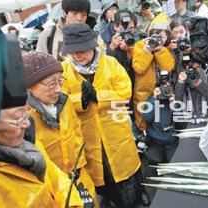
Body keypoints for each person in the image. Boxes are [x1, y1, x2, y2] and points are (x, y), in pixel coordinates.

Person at [60, 23, 149, 207]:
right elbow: (62, 100)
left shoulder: (110, 63)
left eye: (82, 49)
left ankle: (139, 195)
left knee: (127, 168)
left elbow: (125, 91)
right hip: (88, 134)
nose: (77, 54)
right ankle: (112, 199)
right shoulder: (64, 71)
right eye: (73, 51)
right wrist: (81, 100)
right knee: (103, 173)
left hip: (115, 130)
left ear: (92, 46)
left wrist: (98, 96)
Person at [22, 51, 98, 207]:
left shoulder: (65, 101)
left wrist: (79, 168)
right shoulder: (23, 120)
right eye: (51, 83)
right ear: (29, 87)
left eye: (60, 81)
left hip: (79, 176)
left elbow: (77, 133)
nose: (58, 89)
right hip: (53, 189)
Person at [0, 106, 83, 207]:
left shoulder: (28, 143)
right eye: (17, 121)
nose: (27, 124)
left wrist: (72, 202)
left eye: (25, 114)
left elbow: (53, 175)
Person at [132, 13, 175, 135]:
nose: (159, 40)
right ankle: (145, 137)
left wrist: (160, 50)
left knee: (162, 119)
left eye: (162, 37)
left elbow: (169, 67)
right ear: (150, 34)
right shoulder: (140, 45)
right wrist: (147, 50)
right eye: (156, 36)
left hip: (163, 90)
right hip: (144, 91)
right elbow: (139, 68)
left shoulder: (167, 48)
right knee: (144, 119)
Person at [174, 59, 208, 127]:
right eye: (190, 69)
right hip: (189, 123)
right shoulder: (182, 83)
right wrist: (180, 83)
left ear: (201, 67)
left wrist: (201, 85)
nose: (193, 72)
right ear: (185, 71)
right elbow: (176, 104)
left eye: (196, 68)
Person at [143, 74, 179, 164]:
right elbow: (147, 118)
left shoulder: (174, 101)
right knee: (154, 160)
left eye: (168, 89)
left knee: (174, 161)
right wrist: (154, 98)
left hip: (172, 142)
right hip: (156, 142)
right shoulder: (151, 101)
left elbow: (180, 121)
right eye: (163, 89)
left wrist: (173, 104)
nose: (165, 92)